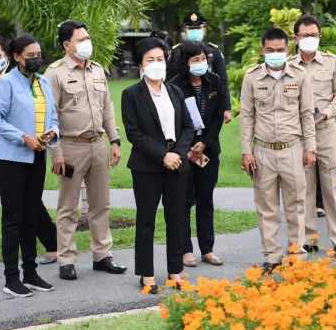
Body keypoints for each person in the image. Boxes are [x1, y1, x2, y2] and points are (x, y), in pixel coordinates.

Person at [0, 35, 58, 269]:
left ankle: (51, 242)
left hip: (14, 147)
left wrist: (44, 135)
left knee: (25, 202)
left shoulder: (20, 80)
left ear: (9, 56)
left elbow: (46, 115)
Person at [44, 20, 127, 281]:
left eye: (87, 38)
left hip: (98, 145)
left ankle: (102, 255)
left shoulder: (97, 69)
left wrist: (114, 141)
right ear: (66, 45)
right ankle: (66, 260)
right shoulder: (54, 73)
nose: (86, 43)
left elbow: (107, 107)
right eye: (80, 40)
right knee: (68, 207)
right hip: (70, 147)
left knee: (101, 204)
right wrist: (56, 152)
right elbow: (49, 116)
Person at [0, 35, 60, 298]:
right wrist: (23, 138)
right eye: (31, 55)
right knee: (13, 220)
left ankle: (30, 273)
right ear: (17, 57)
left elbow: (53, 117)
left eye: (39, 54)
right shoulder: (5, 83)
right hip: (11, 161)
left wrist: (52, 133)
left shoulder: (44, 83)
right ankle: (11, 278)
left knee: (31, 218)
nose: (37, 59)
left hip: (37, 158)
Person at [121, 37, 194, 294]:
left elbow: (188, 127)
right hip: (147, 166)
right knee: (146, 221)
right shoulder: (131, 94)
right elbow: (134, 133)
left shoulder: (175, 92)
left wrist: (177, 154)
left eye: (160, 59)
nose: (156, 63)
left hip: (177, 164)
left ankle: (175, 272)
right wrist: (163, 155)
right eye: (150, 59)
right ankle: (147, 274)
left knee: (176, 219)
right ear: (141, 65)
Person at [240, 28, 316, 273]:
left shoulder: (300, 75)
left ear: (288, 49)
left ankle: (296, 254)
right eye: (270, 50)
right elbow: (247, 117)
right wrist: (246, 151)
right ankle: (272, 256)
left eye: (280, 50)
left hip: (293, 148)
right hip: (263, 151)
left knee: (296, 205)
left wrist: (310, 148)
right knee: (267, 207)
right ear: (263, 50)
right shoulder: (252, 77)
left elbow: (307, 114)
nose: (275, 54)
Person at [289, 15, 336, 257]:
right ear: (296, 38)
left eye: (313, 35)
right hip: (300, 135)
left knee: (332, 187)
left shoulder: (331, 62)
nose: (309, 39)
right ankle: (308, 240)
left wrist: (327, 111)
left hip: (326, 130)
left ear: (320, 36)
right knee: (303, 188)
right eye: (305, 35)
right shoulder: (288, 65)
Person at [168, 41, 226, 267]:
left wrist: (205, 143)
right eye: (195, 59)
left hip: (208, 149)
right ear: (185, 63)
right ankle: (186, 250)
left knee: (205, 199)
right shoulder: (174, 85)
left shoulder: (215, 81)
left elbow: (219, 116)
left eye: (203, 58)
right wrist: (191, 145)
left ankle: (207, 249)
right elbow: (174, 120)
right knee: (184, 201)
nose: (201, 63)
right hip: (184, 150)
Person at [166, 10, 232, 124]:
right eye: (191, 29)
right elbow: (169, 81)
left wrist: (226, 107)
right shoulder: (176, 52)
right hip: (183, 99)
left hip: (208, 99)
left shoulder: (214, 51)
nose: (195, 31)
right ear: (186, 31)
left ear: (204, 30)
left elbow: (223, 81)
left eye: (198, 28)